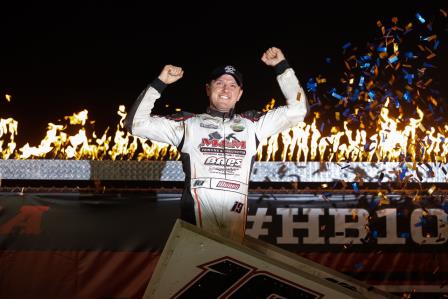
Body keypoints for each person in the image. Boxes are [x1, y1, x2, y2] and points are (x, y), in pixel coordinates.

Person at [124, 47, 308, 241]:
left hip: (234, 226)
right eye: (219, 83)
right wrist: (160, 83)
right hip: (194, 230)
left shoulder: (254, 125)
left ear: (240, 94)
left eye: (232, 85)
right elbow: (136, 124)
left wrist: (282, 67)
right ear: (208, 89)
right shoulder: (187, 124)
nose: (226, 89)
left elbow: (298, 111)